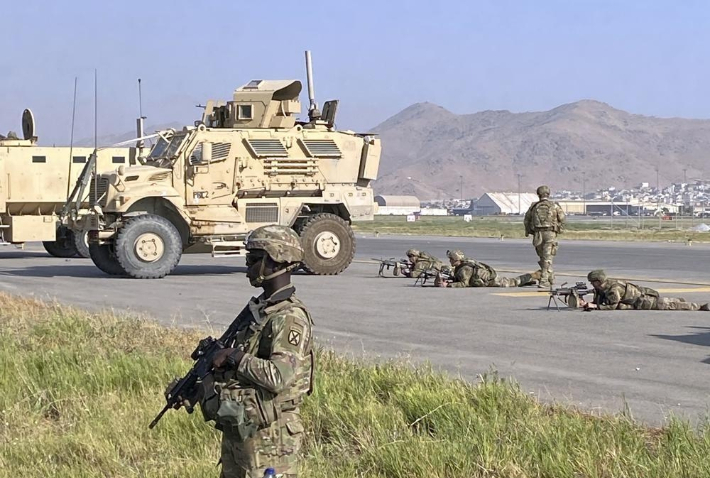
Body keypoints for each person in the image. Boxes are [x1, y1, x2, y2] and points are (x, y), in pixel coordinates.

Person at [203, 225, 314, 477]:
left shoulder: (289, 318)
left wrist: (234, 356)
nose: (248, 267)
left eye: (253, 260)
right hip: (246, 426)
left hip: (271, 436)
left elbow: (278, 377)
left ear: (276, 260)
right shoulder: (261, 311)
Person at [579, 269, 709, 311]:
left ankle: (702, 306)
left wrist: (594, 306)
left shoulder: (614, 289)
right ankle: (678, 300)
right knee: (670, 302)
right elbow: (602, 300)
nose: (591, 284)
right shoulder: (604, 287)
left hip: (645, 301)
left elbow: (611, 306)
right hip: (639, 299)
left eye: (592, 282)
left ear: (598, 281)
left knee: (672, 306)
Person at [524, 185, 565, 289]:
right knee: (547, 257)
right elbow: (562, 217)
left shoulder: (534, 206)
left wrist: (529, 231)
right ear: (548, 194)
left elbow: (526, 220)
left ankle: (550, 276)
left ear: (538, 194)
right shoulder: (554, 205)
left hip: (538, 234)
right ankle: (544, 280)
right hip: (550, 233)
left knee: (543, 257)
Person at [437, 249, 541, 288]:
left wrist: (449, 285)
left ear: (457, 260)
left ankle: (535, 275)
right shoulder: (459, 267)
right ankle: (529, 281)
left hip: (493, 281)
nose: (450, 260)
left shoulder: (465, 269)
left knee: (514, 282)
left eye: (451, 259)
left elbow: (464, 283)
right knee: (515, 282)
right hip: (487, 281)